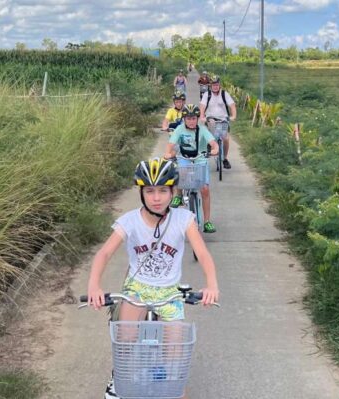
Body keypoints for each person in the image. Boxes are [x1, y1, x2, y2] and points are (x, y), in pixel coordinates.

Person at [86, 158, 220, 399]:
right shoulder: (129, 221)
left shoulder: (183, 219)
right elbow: (104, 253)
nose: (156, 197)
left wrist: (212, 284)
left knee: (175, 363)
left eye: (162, 190)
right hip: (137, 289)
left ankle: (171, 386)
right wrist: (94, 285)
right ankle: (119, 377)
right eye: (149, 191)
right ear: (141, 192)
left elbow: (202, 252)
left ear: (172, 192)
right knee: (125, 341)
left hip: (170, 292)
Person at [164, 104, 219, 233]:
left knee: (205, 189)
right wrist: (167, 153)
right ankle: (178, 195)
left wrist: (215, 149)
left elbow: (213, 143)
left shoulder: (202, 129)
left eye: (194, 118)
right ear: (184, 119)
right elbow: (170, 145)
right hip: (184, 158)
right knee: (180, 175)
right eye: (188, 118)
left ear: (197, 118)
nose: (191, 121)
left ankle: (206, 222)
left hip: (200, 159)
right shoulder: (179, 129)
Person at [200, 75, 236, 169]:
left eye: (217, 84)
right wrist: (202, 116)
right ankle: (209, 145)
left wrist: (233, 116)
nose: (215, 86)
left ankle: (225, 159)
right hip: (211, 118)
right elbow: (202, 107)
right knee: (210, 130)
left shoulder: (224, 94)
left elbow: (232, 105)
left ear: (219, 85)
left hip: (223, 119)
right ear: (210, 85)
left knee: (226, 138)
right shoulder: (206, 95)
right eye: (213, 85)